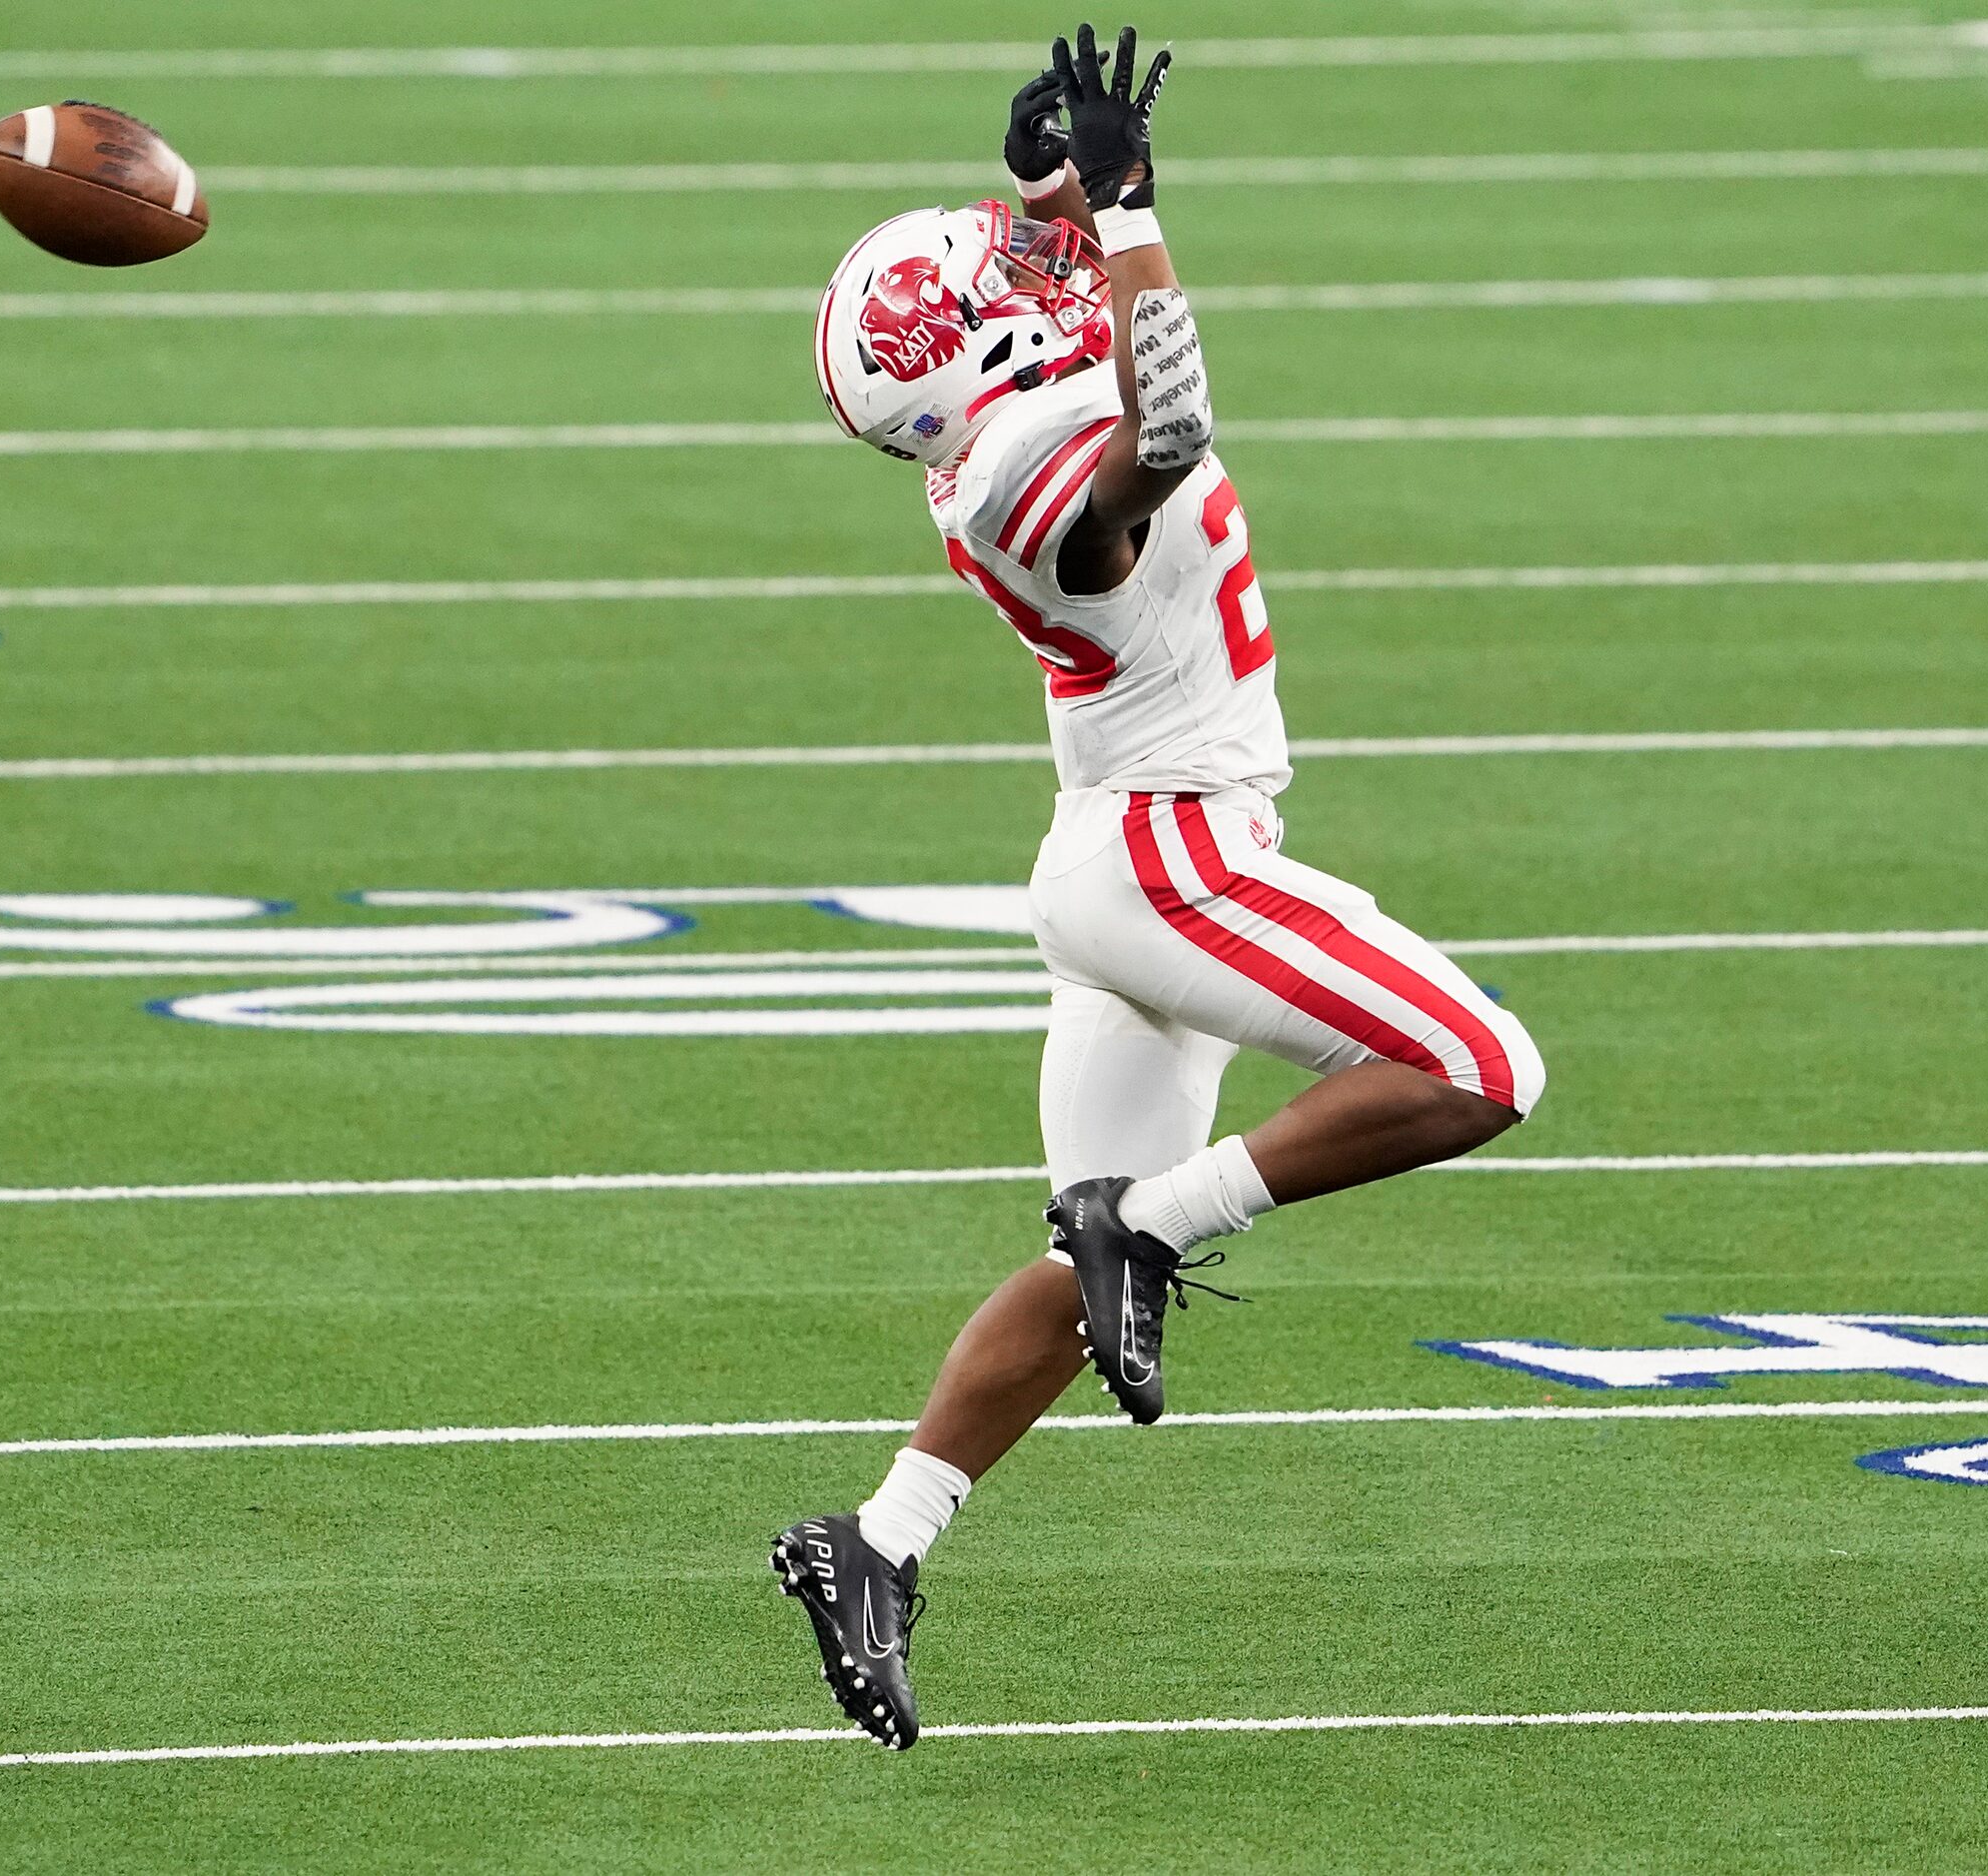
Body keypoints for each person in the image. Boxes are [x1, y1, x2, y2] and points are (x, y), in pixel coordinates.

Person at [769, 25, 1547, 1749]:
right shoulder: (1021, 476)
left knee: (1078, 1269)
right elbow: (1165, 416)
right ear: (967, 343)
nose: (1018, 259)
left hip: (1116, 861)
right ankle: (1156, 1222)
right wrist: (1116, 213)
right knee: (1480, 1070)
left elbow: (1083, 301)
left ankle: (876, 1538)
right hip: (1169, 857)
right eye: (994, 269)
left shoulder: (984, 421)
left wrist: (1083, 183)